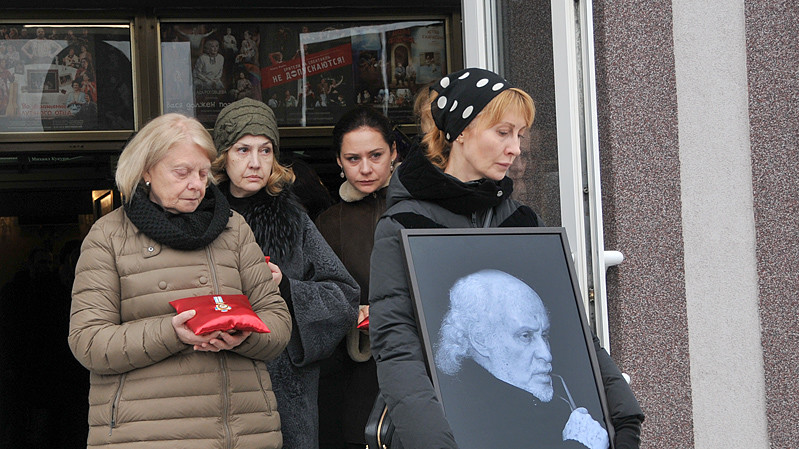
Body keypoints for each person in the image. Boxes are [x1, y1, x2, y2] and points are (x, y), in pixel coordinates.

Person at [368, 68, 644, 449]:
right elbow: (397, 350)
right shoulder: (402, 226)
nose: (515, 148)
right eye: (503, 132)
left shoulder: (523, 222)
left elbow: (577, 335)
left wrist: (624, 416)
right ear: (461, 132)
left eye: (519, 134)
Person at [67, 113, 293, 449]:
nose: (196, 185)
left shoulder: (234, 228)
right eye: (182, 172)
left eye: (203, 173)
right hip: (144, 435)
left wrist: (244, 336)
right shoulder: (108, 236)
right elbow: (88, 342)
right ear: (146, 170)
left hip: (243, 433)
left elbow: (278, 322)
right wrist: (171, 333)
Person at [211, 98, 360, 449]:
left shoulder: (293, 221)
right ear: (222, 157)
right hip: (214, 382)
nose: (255, 162)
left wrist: (288, 288)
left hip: (284, 391)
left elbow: (344, 296)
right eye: (243, 149)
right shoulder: (200, 219)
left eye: (265, 150)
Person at [435, 269, 609, 449]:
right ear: (481, 339)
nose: (547, 354)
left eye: (544, 335)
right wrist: (579, 444)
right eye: (525, 335)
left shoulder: (554, 402)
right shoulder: (464, 418)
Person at [315, 106, 398, 449]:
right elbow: (316, 295)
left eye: (376, 155)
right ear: (338, 161)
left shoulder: (421, 210)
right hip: (353, 372)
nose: (365, 168)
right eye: (353, 158)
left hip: (415, 365)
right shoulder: (327, 223)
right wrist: (350, 311)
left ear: (394, 152)